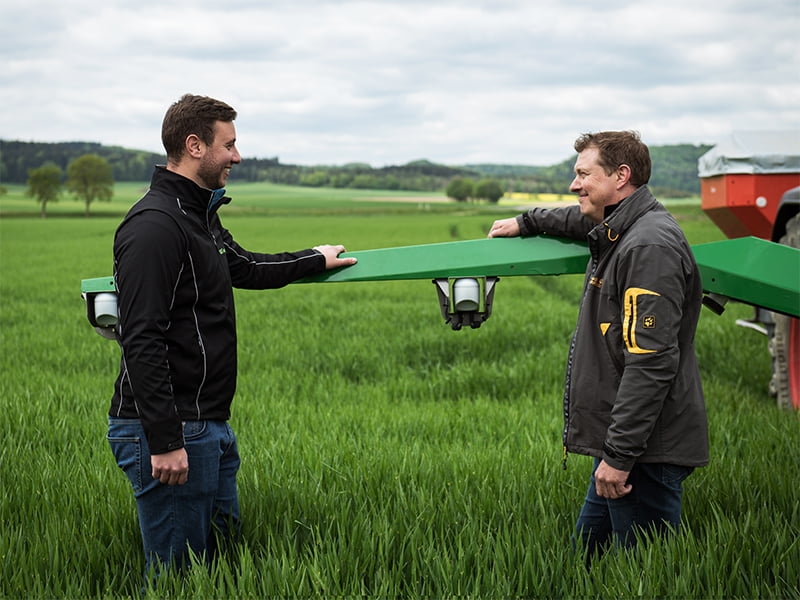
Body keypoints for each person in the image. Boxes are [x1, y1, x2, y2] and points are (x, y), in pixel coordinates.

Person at [107, 94, 357, 578]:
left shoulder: (197, 215)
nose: (238, 157)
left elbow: (243, 266)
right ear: (195, 146)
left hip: (207, 424)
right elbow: (140, 338)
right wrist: (164, 440)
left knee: (218, 566)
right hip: (171, 429)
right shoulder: (156, 226)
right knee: (177, 577)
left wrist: (312, 258)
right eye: (230, 145)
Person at [488, 131, 709, 560]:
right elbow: (582, 220)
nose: (575, 185)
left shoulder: (649, 247)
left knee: (644, 577)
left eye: (583, 174)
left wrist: (620, 457)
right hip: (623, 443)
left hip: (642, 453)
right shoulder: (623, 227)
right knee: (586, 563)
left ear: (621, 176)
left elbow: (651, 364)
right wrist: (528, 222)